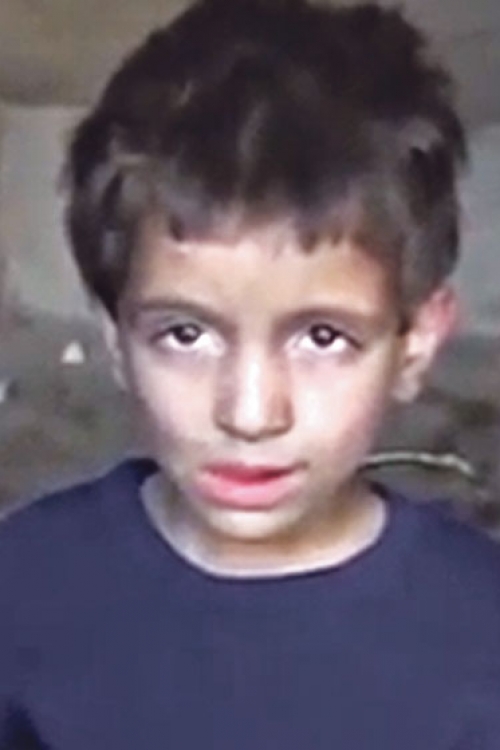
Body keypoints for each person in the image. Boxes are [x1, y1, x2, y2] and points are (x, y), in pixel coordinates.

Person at [1, 0, 499, 747]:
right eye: (187, 334)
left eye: (323, 337)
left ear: (417, 344)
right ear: (115, 339)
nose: (251, 413)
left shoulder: (481, 627)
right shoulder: (24, 583)